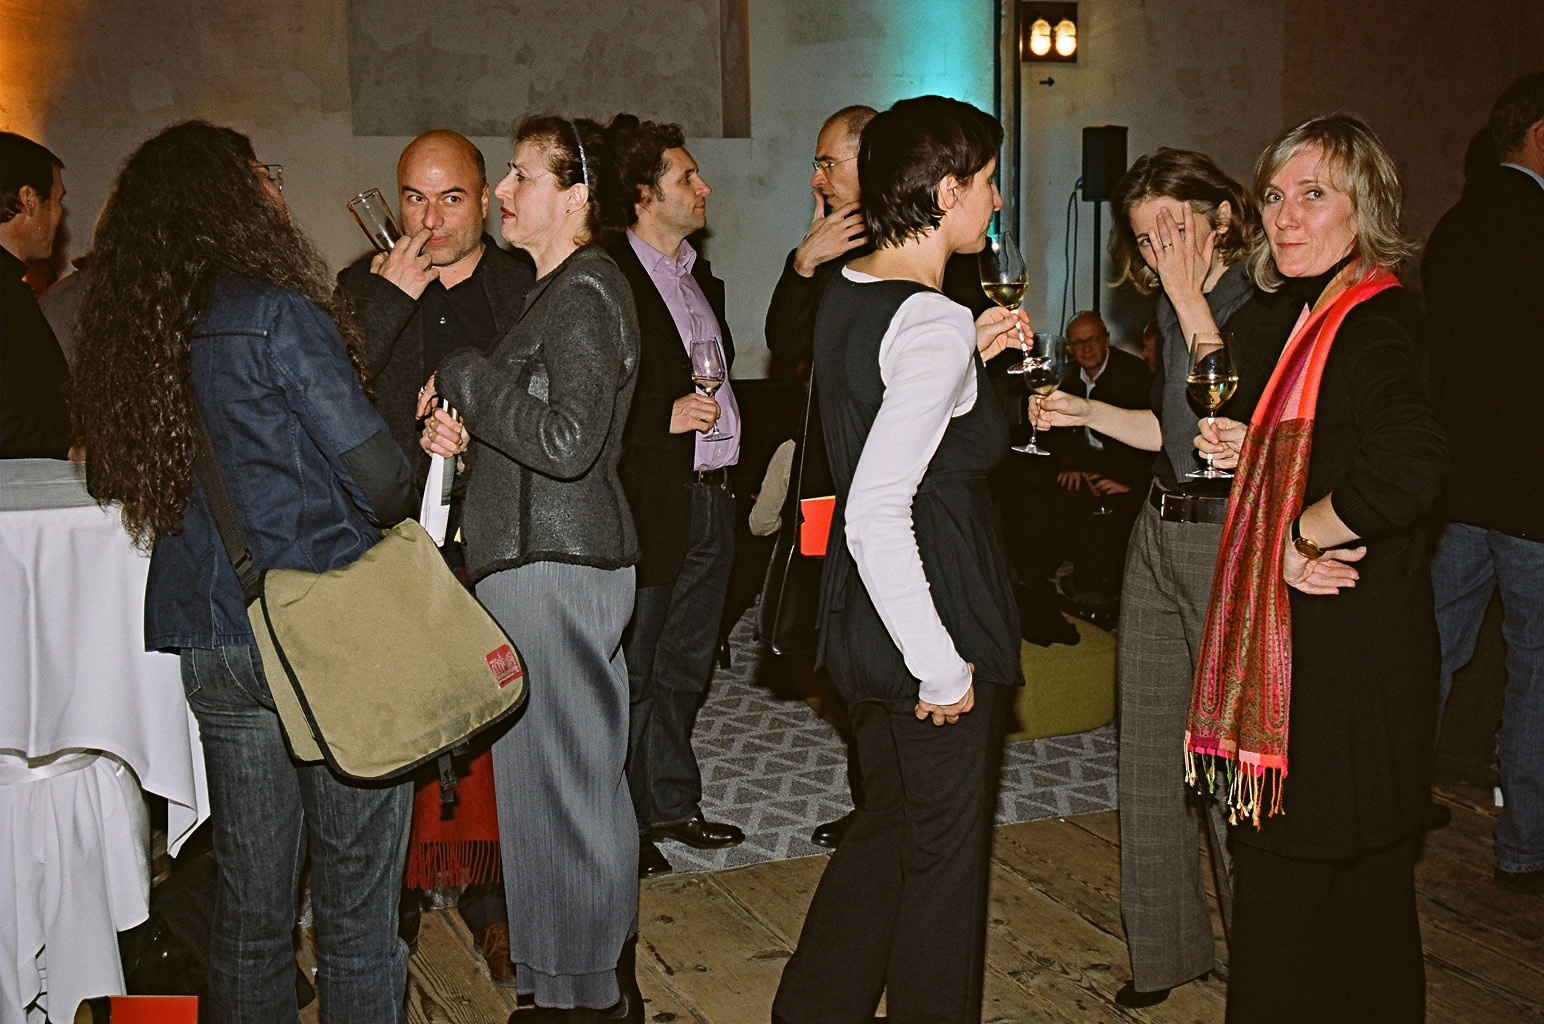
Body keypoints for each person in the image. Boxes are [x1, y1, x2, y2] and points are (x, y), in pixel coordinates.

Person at [71, 121, 417, 1024]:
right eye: (262, 175)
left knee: (252, 910)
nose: (275, 188)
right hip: (324, 634)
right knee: (355, 914)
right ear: (232, 199)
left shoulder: (142, 332)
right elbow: (382, 479)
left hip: (215, 637)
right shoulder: (278, 314)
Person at [770, 95, 1028, 1024]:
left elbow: (885, 403)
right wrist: (942, 665)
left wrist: (967, 360)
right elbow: (880, 509)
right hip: (931, 608)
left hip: (862, 613)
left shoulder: (851, 289)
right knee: (942, 868)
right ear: (948, 191)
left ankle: (812, 1008)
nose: (996, 201)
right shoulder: (932, 322)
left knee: (886, 827)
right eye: (988, 182)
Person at [1191, 114, 1445, 1022]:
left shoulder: (1370, 322)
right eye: (1273, 196)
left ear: (1364, 208)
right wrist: (1256, 451)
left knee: (1283, 917)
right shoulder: (1320, 314)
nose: (1285, 217)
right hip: (1356, 668)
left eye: (1313, 194)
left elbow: (1411, 464)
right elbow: (1335, 445)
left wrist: (1300, 534)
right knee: (1366, 910)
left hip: (1338, 679)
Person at [1037, 148, 1299, 1008]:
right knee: (1149, 753)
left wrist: (1188, 300)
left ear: (1221, 217)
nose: (1159, 251)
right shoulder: (1169, 299)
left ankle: (1262, 963)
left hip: (1228, 538)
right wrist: (1083, 410)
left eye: (1173, 229)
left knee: (1222, 757)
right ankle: (1165, 953)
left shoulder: (1267, 300)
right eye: (1146, 238)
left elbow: (1239, 425)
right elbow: (1170, 432)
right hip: (1159, 526)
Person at [419, 115, 642, 1023]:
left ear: (577, 195)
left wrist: (467, 377)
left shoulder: (584, 289)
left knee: (572, 793)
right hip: (534, 563)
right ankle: (558, 990)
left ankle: (594, 998)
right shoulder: (554, 292)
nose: (504, 193)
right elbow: (539, 436)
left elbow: (570, 441)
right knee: (542, 797)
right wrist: (467, 444)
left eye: (522, 177)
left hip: (561, 567)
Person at [336, 127, 535, 982]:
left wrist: (478, 436)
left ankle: (496, 901)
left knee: (496, 716)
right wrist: (390, 306)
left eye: (451, 198)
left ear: (485, 200)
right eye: (415, 199)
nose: (430, 219)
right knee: (399, 720)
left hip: (496, 535)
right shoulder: (363, 285)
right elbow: (331, 405)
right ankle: (399, 898)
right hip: (390, 539)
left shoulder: (522, 285)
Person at [601, 114, 744, 879]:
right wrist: (662, 415)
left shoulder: (696, 275)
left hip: (713, 495)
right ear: (644, 194)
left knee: (686, 663)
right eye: (687, 177)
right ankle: (622, 824)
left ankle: (670, 802)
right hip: (651, 497)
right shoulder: (608, 276)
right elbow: (583, 391)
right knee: (635, 670)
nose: (704, 187)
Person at [1423, 70, 1544, 896]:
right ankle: (1526, 848)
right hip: (1533, 490)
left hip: (1455, 488)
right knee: (1536, 668)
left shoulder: (1456, 226)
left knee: (1430, 652)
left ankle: (1391, 806)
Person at [1049, 309, 1152, 613]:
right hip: (1085, 462)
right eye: (1078, 343)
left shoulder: (1135, 374)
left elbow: (1150, 440)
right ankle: (1051, 580)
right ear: (1069, 348)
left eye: (1093, 340)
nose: (1087, 349)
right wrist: (1071, 466)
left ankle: (1102, 591)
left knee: (1111, 513)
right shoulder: (1063, 377)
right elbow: (1056, 436)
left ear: (1107, 340)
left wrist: (1127, 481)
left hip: (1128, 466)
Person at [0, 131, 72, 459]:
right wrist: (67, 446)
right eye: (57, 201)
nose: (59, 215)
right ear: (28, 200)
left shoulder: (12, 286)